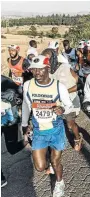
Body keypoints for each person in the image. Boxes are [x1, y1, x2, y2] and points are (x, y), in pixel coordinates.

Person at [22, 55, 74, 197]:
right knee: (39, 167)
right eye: (34, 70)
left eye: (40, 70)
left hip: (56, 130)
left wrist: (62, 109)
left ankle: (59, 182)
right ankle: (49, 163)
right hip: (39, 131)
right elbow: (26, 106)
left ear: (48, 68)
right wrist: (24, 124)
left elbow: (69, 105)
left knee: (56, 161)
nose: (37, 73)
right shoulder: (28, 85)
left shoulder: (58, 86)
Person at [42, 48, 84, 151]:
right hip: (55, 102)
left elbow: (79, 84)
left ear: (54, 58)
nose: (47, 60)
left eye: (49, 57)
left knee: (70, 124)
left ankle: (78, 138)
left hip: (70, 100)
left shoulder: (65, 68)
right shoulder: (45, 71)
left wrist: (64, 92)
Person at [1, 75, 27, 188]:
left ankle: (28, 138)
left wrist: (9, 99)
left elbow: (20, 96)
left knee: (12, 149)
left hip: (8, 121)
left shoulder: (5, 81)